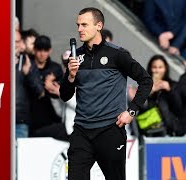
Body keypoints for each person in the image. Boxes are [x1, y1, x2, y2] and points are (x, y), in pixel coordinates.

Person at [59, 7, 153, 180]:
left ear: (99, 26)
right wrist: (71, 76)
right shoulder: (76, 56)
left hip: (110, 130)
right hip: (82, 132)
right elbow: (64, 95)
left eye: (84, 25)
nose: (79, 29)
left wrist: (131, 111)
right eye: (78, 25)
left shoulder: (117, 54)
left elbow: (146, 80)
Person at [129, 55, 184, 136]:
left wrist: (170, 90)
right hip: (148, 129)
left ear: (165, 69)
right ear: (150, 69)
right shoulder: (143, 87)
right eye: (154, 67)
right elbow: (139, 108)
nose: (157, 71)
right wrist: (150, 91)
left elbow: (178, 108)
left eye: (160, 67)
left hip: (168, 130)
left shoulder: (173, 85)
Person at [29, 35, 64, 137]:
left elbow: (63, 95)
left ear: (50, 50)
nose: (42, 53)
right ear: (34, 50)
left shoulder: (56, 69)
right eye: (39, 49)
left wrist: (52, 86)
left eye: (45, 50)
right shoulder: (28, 66)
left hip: (51, 119)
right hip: (31, 118)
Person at [15, 30, 44, 138]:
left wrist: (28, 74)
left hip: (20, 121)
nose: (18, 45)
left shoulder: (27, 62)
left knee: (20, 154)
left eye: (18, 42)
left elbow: (40, 92)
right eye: (14, 42)